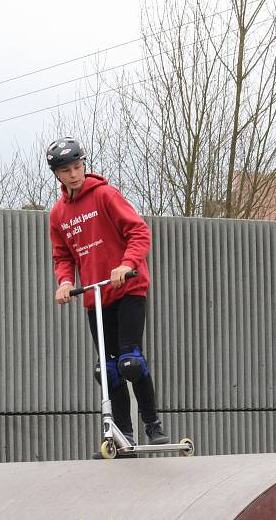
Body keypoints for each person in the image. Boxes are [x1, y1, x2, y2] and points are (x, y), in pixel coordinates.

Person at [46, 136, 170, 454]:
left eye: (78, 166)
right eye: (66, 170)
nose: (74, 174)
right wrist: (63, 282)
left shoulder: (105, 194)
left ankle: (153, 425)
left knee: (130, 361)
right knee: (108, 368)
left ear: (84, 164)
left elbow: (139, 231)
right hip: (96, 296)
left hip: (128, 286)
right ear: (56, 174)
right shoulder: (58, 214)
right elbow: (62, 256)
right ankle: (123, 433)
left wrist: (126, 263)